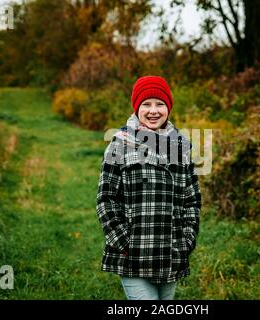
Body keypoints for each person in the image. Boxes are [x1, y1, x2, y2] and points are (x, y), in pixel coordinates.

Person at [96, 75, 202, 300]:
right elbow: (106, 199)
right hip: (134, 251)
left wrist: (187, 240)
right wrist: (122, 241)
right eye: (146, 104)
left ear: (168, 108)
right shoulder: (120, 144)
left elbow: (191, 198)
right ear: (137, 108)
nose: (153, 110)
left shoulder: (180, 147)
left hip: (171, 252)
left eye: (160, 104)